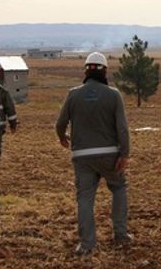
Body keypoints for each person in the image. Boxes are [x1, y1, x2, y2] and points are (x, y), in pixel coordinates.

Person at [55, 52, 132, 256]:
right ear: (105, 71)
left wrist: (62, 137)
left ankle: (87, 244)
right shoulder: (114, 95)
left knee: (85, 198)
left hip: (82, 157)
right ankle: (121, 234)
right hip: (110, 155)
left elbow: (60, 123)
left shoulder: (73, 94)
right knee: (118, 187)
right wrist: (124, 154)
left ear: (85, 71)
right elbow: (122, 128)